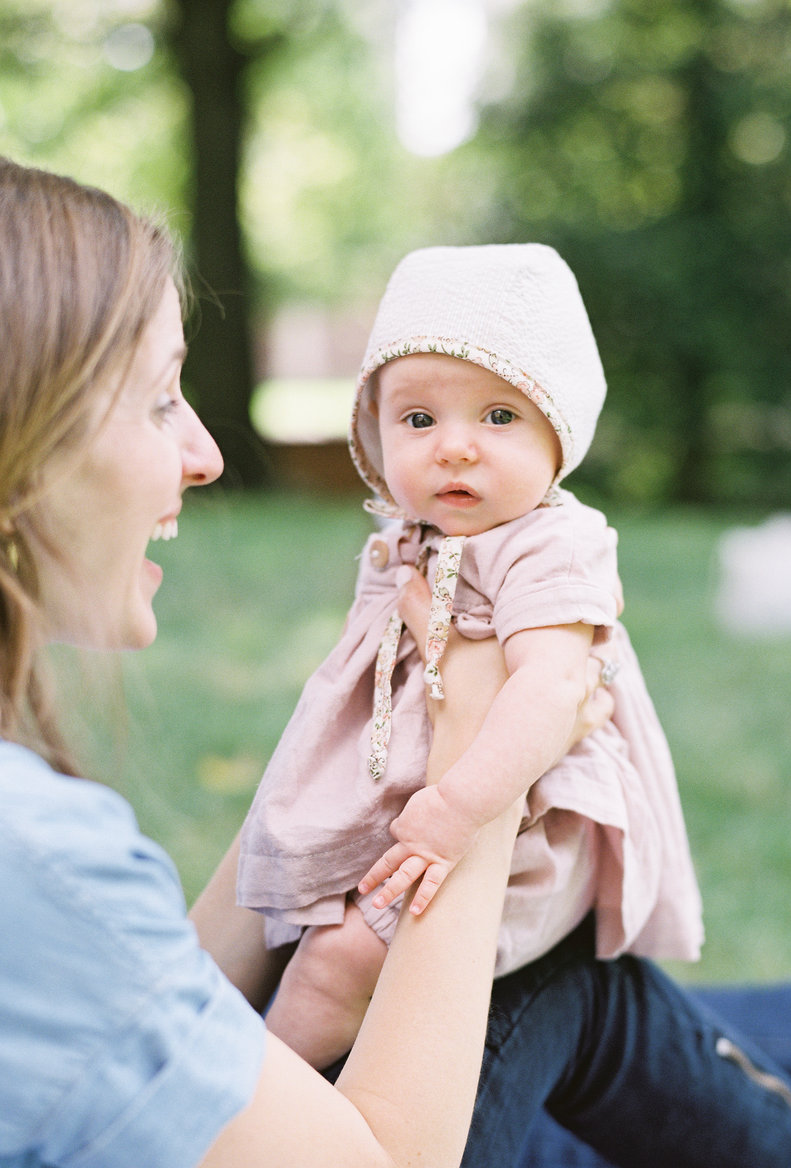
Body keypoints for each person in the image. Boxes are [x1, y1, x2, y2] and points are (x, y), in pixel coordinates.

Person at [4, 154, 791, 1168]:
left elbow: (170, 987)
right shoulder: (31, 859)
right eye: (162, 397)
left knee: (508, 1105)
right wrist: (471, 754)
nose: (207, 453)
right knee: (538, 976)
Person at [237, 243, 703, 1064]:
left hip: (516, 827)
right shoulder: (409, 539)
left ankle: (246, 1136)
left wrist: (454, 815)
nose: (454, 447)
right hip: (411, 811)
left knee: (335, 966)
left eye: (498, 417)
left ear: (560, 431)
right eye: (418, 420)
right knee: (298, 937)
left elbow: (554, 692)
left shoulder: (552, 542)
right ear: (374, 433)